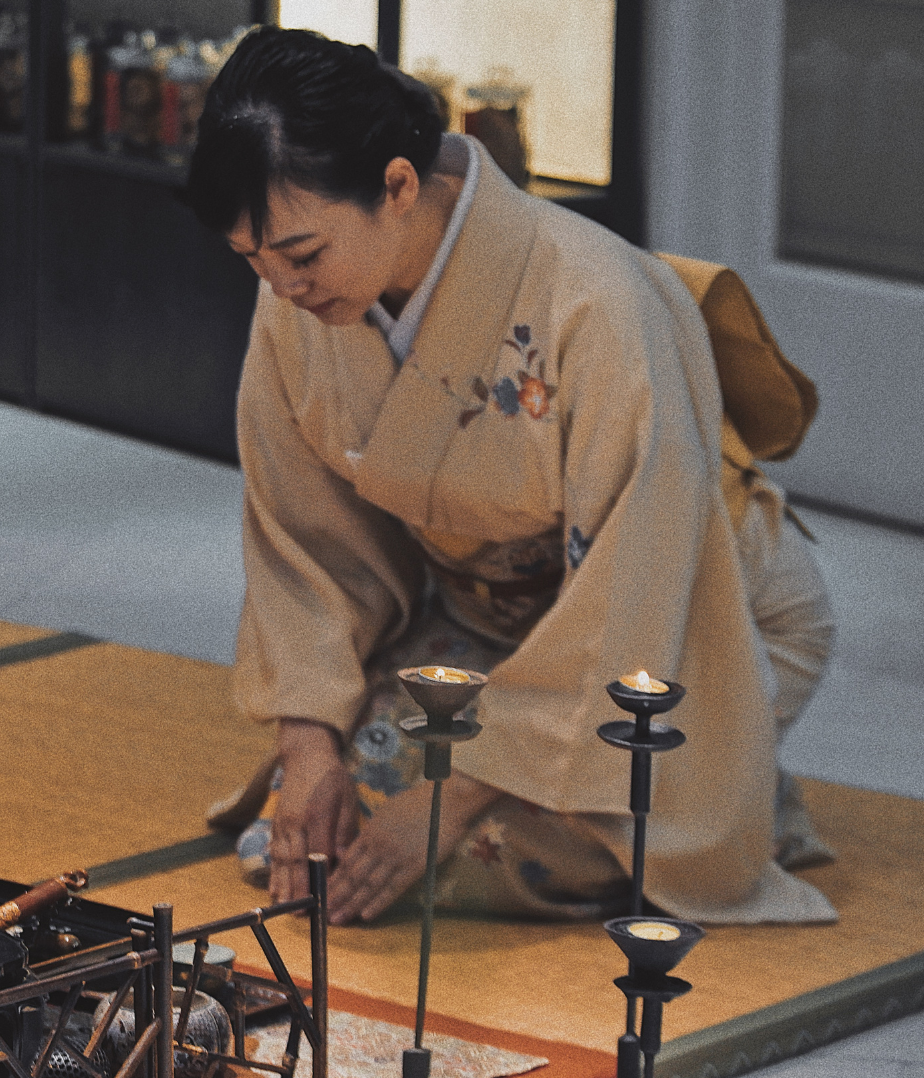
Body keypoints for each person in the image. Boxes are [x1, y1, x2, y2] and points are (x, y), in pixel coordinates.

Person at [186, 29, 837, 926]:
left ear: (398, 187)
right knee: (317, 825)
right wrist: (308, 746)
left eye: (300, 255)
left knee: (505, 852)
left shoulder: (597, 301)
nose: (282, 288)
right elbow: (303, 537)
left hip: (692, 622)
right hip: (490, 621)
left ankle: (733, 774)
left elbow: (635, 592)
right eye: (253, 263)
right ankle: (704, 778)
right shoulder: (295, 294)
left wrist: (450, 807)